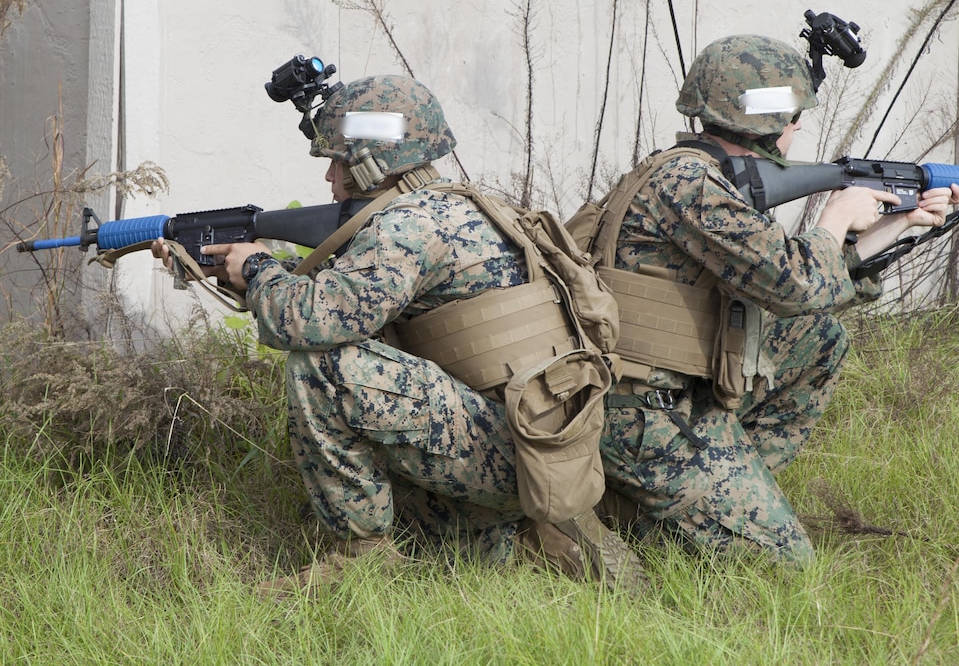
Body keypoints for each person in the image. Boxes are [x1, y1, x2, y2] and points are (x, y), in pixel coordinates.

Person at [152, 74, 644, 592]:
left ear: (373, 163)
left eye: (337, 160)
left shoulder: (407, 227)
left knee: (324, 366)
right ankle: (521, 533)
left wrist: (257, 270)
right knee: (446, 560)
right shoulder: (459, 205)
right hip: (543, 437)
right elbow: (347, 295)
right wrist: (233, 268)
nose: (329, 177)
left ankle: (363, 559)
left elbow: (309, 320)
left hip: (513, 450)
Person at [585, 35, 959, 564]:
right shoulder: (692, 184)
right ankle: (651, 519)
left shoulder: (686, 171)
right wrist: (834, 218)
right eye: (791, 116)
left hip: (669, 386)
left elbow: (798, 292)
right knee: (787, 567)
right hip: (642, 413)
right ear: (763, 121)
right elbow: (795, 284)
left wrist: (894, 227)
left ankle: (726, 493)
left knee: (819, 338)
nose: (798, 126)